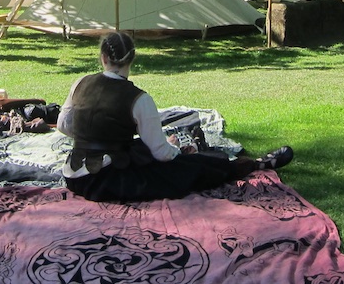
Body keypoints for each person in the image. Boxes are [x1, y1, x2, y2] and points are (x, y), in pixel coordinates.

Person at [56, 31, 293, 203]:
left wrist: (100, 135)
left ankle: (237, 164)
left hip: (74, 176)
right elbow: (161, 154)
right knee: (185, 169)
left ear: (103, 57)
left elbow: (64, 126)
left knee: (147, 151)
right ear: (132, 59)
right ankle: (250, 165)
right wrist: (173, 149)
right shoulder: (139, 99)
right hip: (106, 182)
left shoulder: (80, 83)